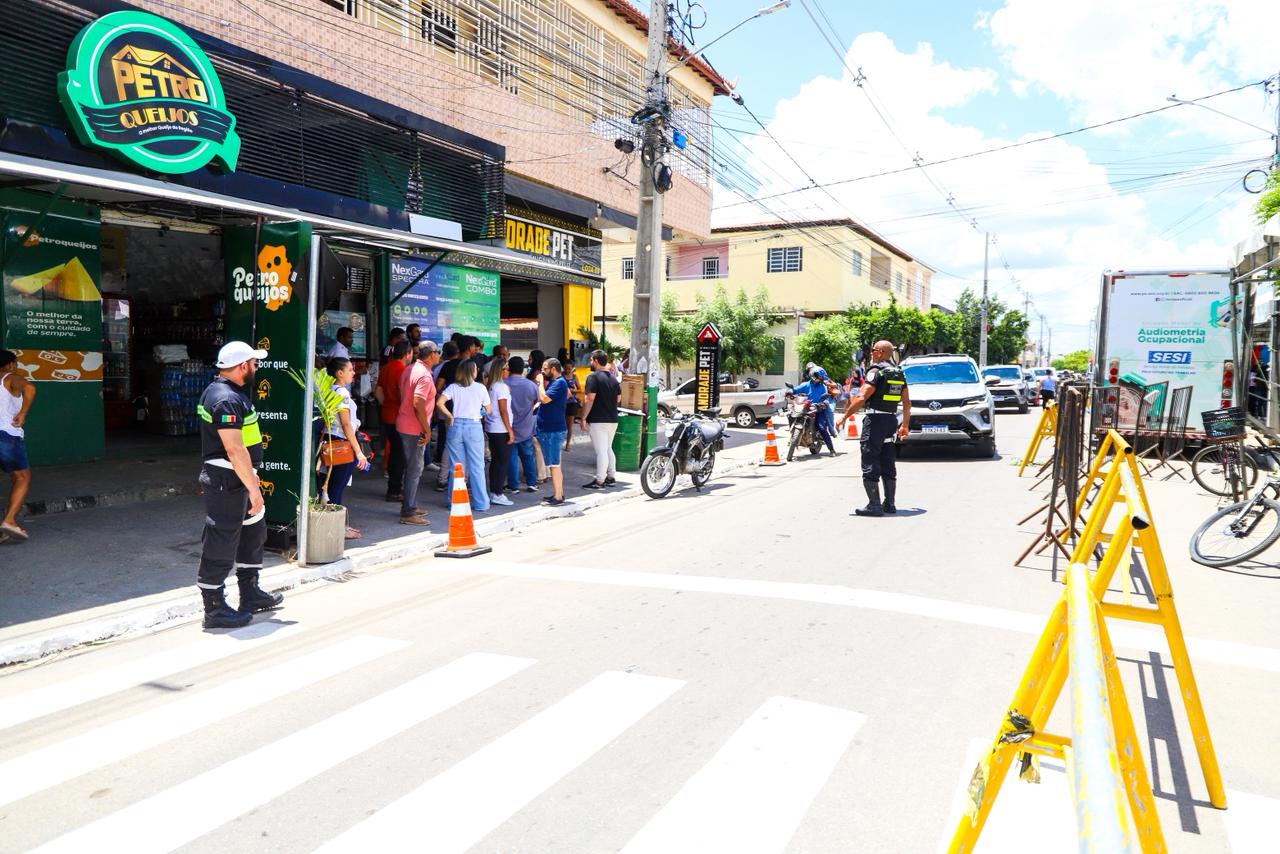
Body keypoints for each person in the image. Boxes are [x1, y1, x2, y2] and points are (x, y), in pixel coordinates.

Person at [194, 341, 282, 629]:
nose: (256, 368)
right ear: (243, 365)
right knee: (222, 539)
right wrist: (254, 489)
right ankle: (214, 608)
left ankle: (250, 592)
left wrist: (251, 478)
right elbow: (234, 449)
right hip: (227, 479)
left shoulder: (230, 394)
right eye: (254, 363)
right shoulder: (225, 399)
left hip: (240, 476)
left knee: (252, 532)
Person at [838, 340, 910, 517]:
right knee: (888, 460)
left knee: (870, 458)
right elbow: (907, 403)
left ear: (880, 352)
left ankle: (874, 505)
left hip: (875, 421)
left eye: (873, 351)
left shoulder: (875, 372)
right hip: (891, 421)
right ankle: (890, 504)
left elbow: (862, 397)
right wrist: (905, 425)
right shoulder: (899, 373)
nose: (871, 353)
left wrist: (845, 417)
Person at [321, 357, 369, 539]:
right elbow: (346, 424)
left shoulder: (328, 390)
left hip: (329, 441)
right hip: (341, 443)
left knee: (329, 486)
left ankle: (336, 526)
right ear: (339, 373)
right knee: (336, 487)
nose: (353, 372)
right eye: (350, 369)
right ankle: (336, 529)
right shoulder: (342, 393)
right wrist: (358, 452)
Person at [435, 359, 491, 511]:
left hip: (456, 426)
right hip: (474, 426)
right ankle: (481, 503)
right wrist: (481, 412)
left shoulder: (453, 387)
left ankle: (454, 502)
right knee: (477, 466)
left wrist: (449, 415)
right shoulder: (480, 388)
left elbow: (439, 402)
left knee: (457, 467)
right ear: (473, 372)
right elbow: (489, 409)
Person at [395, 341, 440, 525]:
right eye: (438, 352)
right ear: (430, 355)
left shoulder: (410, 369)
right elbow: (417, 403)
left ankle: (410, 505)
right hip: (415, 428)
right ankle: (408, 512)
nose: (439, 354)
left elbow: (403, 395)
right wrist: (427, 429)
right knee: (415, 469)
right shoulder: (424, 375)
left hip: (405, 423)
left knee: (413, 468)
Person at [0, 350, 35, 543]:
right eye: (16, 363)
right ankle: (9, 521)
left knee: (15, 476)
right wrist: (23, 413)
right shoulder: (11, 378)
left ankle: (5, 529)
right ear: (11, 364)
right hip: (5, 435)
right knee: (23, 476)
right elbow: (29, 388)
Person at [375, 340, 411, 503]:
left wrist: (386, 405)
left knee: (395, 453)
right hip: (398, 416)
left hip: (387, 414)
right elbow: (403, 395)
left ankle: (394, 488)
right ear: (407, 353)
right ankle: (395, 490)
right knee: (399, 455)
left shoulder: (386, 368)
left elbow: (378, 391)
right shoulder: (402, 371)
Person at [579, 349, 620, 489]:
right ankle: (611, 476)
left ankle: (600, 481)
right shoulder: (614, 379)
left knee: (601, 451)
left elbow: (589, 399)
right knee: (608, 448)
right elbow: (618, 398)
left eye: (591, 360)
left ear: (596, 361)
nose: (590, 362)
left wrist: (583, 417)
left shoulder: (593, 377)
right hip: (612, 419)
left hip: (598, 419)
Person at [535, 357, 570, 506]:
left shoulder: (559, 382)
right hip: (549, 429)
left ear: (553, 369)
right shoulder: (557, 383)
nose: (542, 372)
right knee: (554, 465)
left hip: (553, 431)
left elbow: (544, 398)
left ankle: (558, 497)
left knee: (554, 465)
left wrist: (539, 383)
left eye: (545, 369)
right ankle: (558, 493)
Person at [505, 356, 540, 493]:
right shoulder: (531, 385)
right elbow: (537, 401)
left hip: (508, 428)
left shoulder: (503, 384)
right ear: (523, 369)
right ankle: (531, 482)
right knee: (527, 456)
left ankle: (514, 485)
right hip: (526, 427)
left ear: (509, 368)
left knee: (511, 457)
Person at [484, 357, 515, 506]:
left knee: (496, 461)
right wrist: (510, 430)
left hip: (492, 427)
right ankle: (498, 492)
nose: (509, 371)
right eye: (507, 369)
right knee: (502, 462)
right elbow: (503, 410)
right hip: (500, 428)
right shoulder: (501, 387)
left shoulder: (491, 386)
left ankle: (493, 491)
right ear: (500, 370)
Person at [791, 370, 839, 457]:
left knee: (822, 427)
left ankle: (831, 449)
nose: (820, 379)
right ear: (814, 376)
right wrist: (790, 391)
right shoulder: (806, 385)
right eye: (819, 377)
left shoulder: (822, 387)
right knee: (791, 415)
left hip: (817, 410)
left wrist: (824, 403)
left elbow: (826, 398)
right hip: (805, 409)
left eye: (821, 377)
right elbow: (795, 390)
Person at [558, 349, 581, 451]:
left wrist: (572, 390)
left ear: (572, 368)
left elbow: (580, 389)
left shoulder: (575, 377)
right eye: (566, 368)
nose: (567, 370)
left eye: (569, 369)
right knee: (560, 424)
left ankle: (567, 444)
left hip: (572, 403)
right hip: (561, 403)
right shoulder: (560, 376)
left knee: (569, 425)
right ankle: (559, 443)